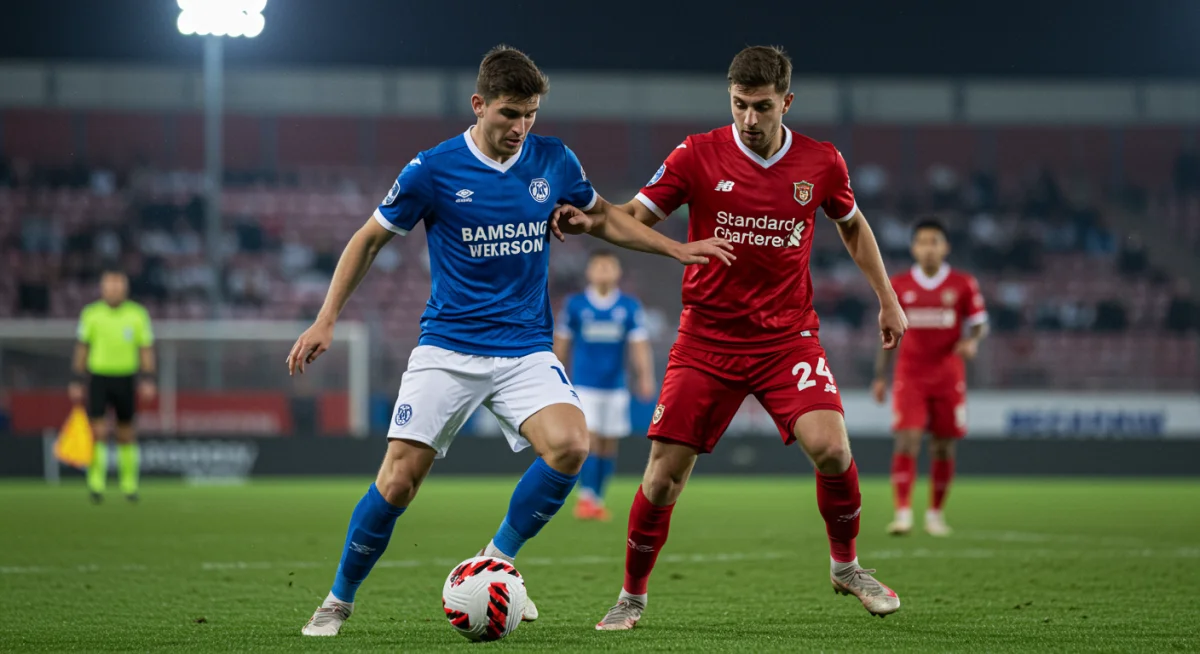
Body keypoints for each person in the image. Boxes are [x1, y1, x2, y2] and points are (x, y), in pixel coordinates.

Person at [286, 45, 733, 638]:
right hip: (448, 347)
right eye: (507, 114)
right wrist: (326, 318)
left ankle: (495, 558)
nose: (520, 128)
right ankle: (337, 600)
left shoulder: (553, 160)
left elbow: (601, 216)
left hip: (524, 347)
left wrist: (676, 249)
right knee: (397, 481)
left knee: (572, 445)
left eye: (530, 115)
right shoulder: (433, 169)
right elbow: (368, 239)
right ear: (478, 106)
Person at [552, 45, 907, 628]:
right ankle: (631, 597)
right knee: (663, 477)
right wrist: (588, 219)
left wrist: (887, 298)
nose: (748, 118)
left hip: (787, 340)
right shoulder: (696, 154)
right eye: (739, 105)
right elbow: (633, 217)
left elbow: (852, 225)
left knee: (834, 448)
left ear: (785, 103)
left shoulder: (822, 162)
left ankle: (846, 566)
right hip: (706, 342)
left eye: (762, 107)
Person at [872, 219, 988, 537]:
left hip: (948, 375)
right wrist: (880, 375)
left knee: (943, 447)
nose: (928, 247)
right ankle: (903, 513)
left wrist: (972, 340)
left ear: (946, 246)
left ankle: (935, 514)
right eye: (922, 242)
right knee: (907, 440)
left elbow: (979, 322)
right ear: (913, 247)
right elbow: (887, 334)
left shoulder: (963, 284)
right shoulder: (898, 285)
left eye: (934, 241)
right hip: (910, 375)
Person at [553, 250, 654, 521]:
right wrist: (554, 375)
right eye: (599, 266)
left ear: (618, 272)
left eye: (609, 267)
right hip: (584, 385)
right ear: (589, 271)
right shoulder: (575, 305)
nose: (603, 271)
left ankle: (596, 497)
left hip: (615, 386)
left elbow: (639, 345)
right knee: (591, 439)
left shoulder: (629, 307)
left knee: (608, 444)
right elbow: (562, 342)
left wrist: (645, 376)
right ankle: (586, 497)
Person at [68, 270, 156, 504]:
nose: (114, 290)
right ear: (102, 288)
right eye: (110, 286)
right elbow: (82, 348)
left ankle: (129, 485)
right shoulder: (91, 314)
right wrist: (76, 378)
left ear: (125, 289)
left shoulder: (137, 315)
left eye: (118, 286)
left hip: (126, 378)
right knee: (98, 431)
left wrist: (148, 378)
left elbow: (145, 349)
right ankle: (96, 484)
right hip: (99, 377)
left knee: (126, 432)